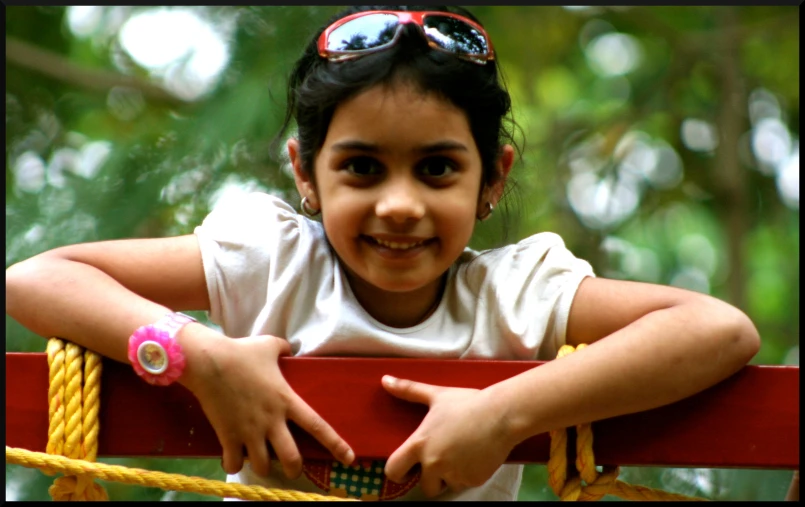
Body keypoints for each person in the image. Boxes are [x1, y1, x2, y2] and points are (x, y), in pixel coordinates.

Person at [5, 5, 761, 502]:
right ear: (305, 173)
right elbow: (38, 277)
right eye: (362, 167)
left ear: (490, 178)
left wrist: (504, 411)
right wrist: (200, 355)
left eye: (436, 168)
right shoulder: (271, 262)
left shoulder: (517, 293)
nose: (399, 203)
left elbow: (717, 330)